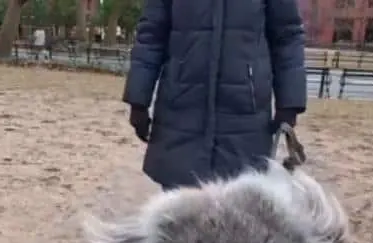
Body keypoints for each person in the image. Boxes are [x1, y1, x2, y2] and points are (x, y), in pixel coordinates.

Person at [122, 0, 307, 190]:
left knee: (239, 211)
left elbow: (287, 36)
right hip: (180, 112)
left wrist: (289, 103)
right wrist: (139, 100)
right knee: (182, 213)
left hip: (245, 117)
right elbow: (151, 36)